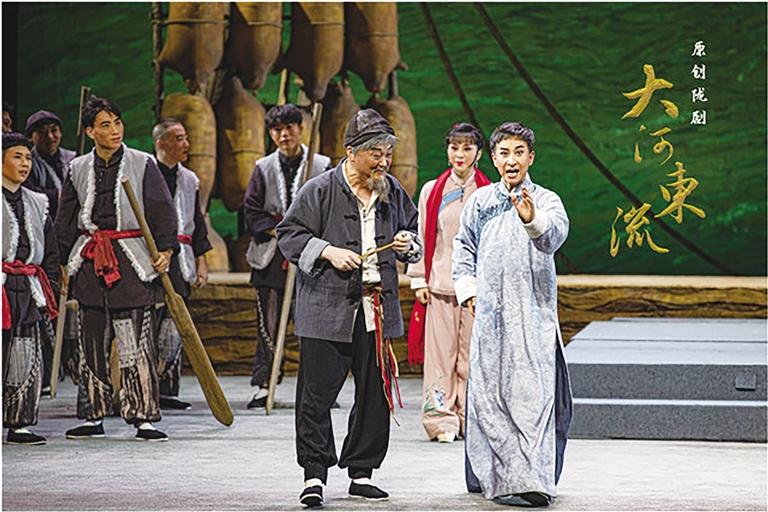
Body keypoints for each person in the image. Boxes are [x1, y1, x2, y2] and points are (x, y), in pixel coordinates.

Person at [277, 109, 422, 508]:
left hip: (376, 308)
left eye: (387, 154)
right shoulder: (320, 190)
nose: (383, 162)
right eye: (376, 154)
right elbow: (288, 234)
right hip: (326, 308)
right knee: (316, 395)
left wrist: (408, 243)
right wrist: (327, 251)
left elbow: (412, 232)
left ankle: (361, 472)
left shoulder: (391, 190)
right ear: (352, 152)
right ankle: (314, 474)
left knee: (375, 393)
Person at [452, 122, 572, 507]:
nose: (511, 160)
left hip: (534, 317)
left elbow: (554, 237)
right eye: (504, 153)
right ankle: (496, 476)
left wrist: (532, 219)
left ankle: (531, 479)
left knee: (533, 399)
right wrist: (469, 291)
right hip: (491, 318)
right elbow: (463, 248)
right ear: (494, 158)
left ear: (531, 157)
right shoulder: (481, 202)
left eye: (519, 152)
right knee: (490, 399)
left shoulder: (546, 200)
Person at [55, 97, 178, 441]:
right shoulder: (78, 168)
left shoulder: (142, 163)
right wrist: (61, 262)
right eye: (105, 125)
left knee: (133, 341)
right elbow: (66, 219)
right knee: (91, 342)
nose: (114, 130)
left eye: (117, 123)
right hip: (91, 259)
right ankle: (93, 414)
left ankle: (142, 415)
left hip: (130, 262)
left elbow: (162, 209)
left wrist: (166, 250)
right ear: (90, 131)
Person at [406, 123, 491, 443]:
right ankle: (440, 420)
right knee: (440, 357)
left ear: (479, 153)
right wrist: (419, 279)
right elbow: (422, 234)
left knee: (471, 357)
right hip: (440, 285)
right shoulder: (432, 190)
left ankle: (471, 416)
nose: (460, 154)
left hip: (477, 289)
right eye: (454, 147)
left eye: (467, 147)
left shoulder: (488, 192)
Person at [242, 104, 330, 409]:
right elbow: (252, 210)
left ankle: (318, 388)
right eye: (277, 130)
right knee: (267, 324)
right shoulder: (263, 167)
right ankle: (264, 385)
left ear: (301, 128)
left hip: (311, 256)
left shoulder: (322, 165)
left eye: (289, 128)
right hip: (271, 258)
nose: (284, 135)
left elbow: (330, 209)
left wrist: (304, 234)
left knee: (314, 326)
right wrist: (282, 231)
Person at [2, 132, 60, 445]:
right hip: (2, 284)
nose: (24, 164)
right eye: (17, 157)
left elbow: (50, 252)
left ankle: (19, 422)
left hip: (27, 286)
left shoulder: (38, 203)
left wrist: (50, 288)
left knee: (24, 354)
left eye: (28, 158)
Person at [152, 119, 211, 410]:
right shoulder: (146, 174)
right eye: (179, 139)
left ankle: (166, 388)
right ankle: (145, 387)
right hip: (153, 255)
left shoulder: (189, 179)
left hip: (180, 257)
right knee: (151, 322)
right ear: (161, 143)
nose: (186, 144)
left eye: (186, 138)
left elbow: (197, 223)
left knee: (175, 324)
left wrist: (201, 261)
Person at [24, 110, 76, 217]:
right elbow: (29, 192)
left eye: (54, 130)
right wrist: (60, 196)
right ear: (31, 137)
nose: (50, 136)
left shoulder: (73, 158)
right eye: (42, 132)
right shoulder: (26, 163)